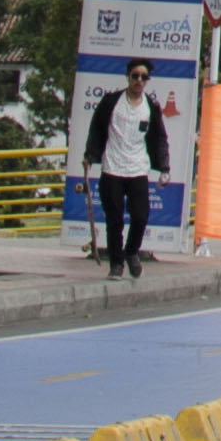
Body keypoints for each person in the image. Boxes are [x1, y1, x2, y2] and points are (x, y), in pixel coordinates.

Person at [86, 54, 167, 276]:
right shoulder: (111, 102)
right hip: (112, 168)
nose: (139, 81)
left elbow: (159, 138)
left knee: (140, 216)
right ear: (127, 77)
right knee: (115, 221)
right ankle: (116, 264)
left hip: (137, 169)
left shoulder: (151, 107)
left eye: (143, 77)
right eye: (135, 76)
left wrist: (164, 167)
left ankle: (131, 251)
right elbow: (97, 130)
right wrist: (90, 155)